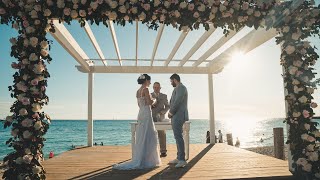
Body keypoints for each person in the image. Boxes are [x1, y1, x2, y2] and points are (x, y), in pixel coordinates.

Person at [113, 74, 161, 170]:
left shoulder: (137, 91)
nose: (150, 83)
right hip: (147, 114)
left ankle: (141, 158)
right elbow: (149, 103)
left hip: (141, 113)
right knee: (150, 135)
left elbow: (140, 105)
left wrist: (150, 102)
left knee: (142, 136)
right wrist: (155, 100)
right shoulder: (146, 89)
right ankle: (148, 160)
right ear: (146, 80)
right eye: (149, 81)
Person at [168, 74, 189, 168]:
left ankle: (182, 160)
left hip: (178, 115)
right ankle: (179, 157)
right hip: (176, 116)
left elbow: (177, 101)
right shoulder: (177, 88)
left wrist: (171, 112)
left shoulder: (181, 88)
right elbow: (172, 101)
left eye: (171, 81)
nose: (170, 83)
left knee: (179, 137)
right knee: (177, 136)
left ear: (175, 80)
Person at [151, 82, 170, 157]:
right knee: (151, 134)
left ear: (160, 88)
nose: (156, 89)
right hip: (151, 117)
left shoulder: (164, 96)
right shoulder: (149, 95)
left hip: (161, 118)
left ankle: (163, 151)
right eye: (155, 87)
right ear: (153, 88)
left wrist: (164, 111)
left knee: (162, 134)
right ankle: (152, 151)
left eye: (158, 87)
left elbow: (168, 106)